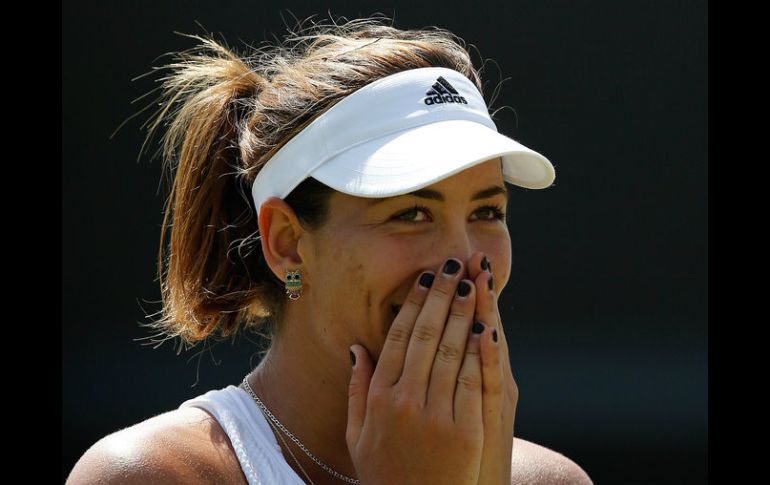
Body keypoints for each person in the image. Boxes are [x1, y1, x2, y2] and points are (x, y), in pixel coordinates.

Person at [67, 15, 592, 485]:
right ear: (287, 243)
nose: (463, 258)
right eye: (410, 213)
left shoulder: (550, 480)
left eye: (487, 212)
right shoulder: (149, 475)